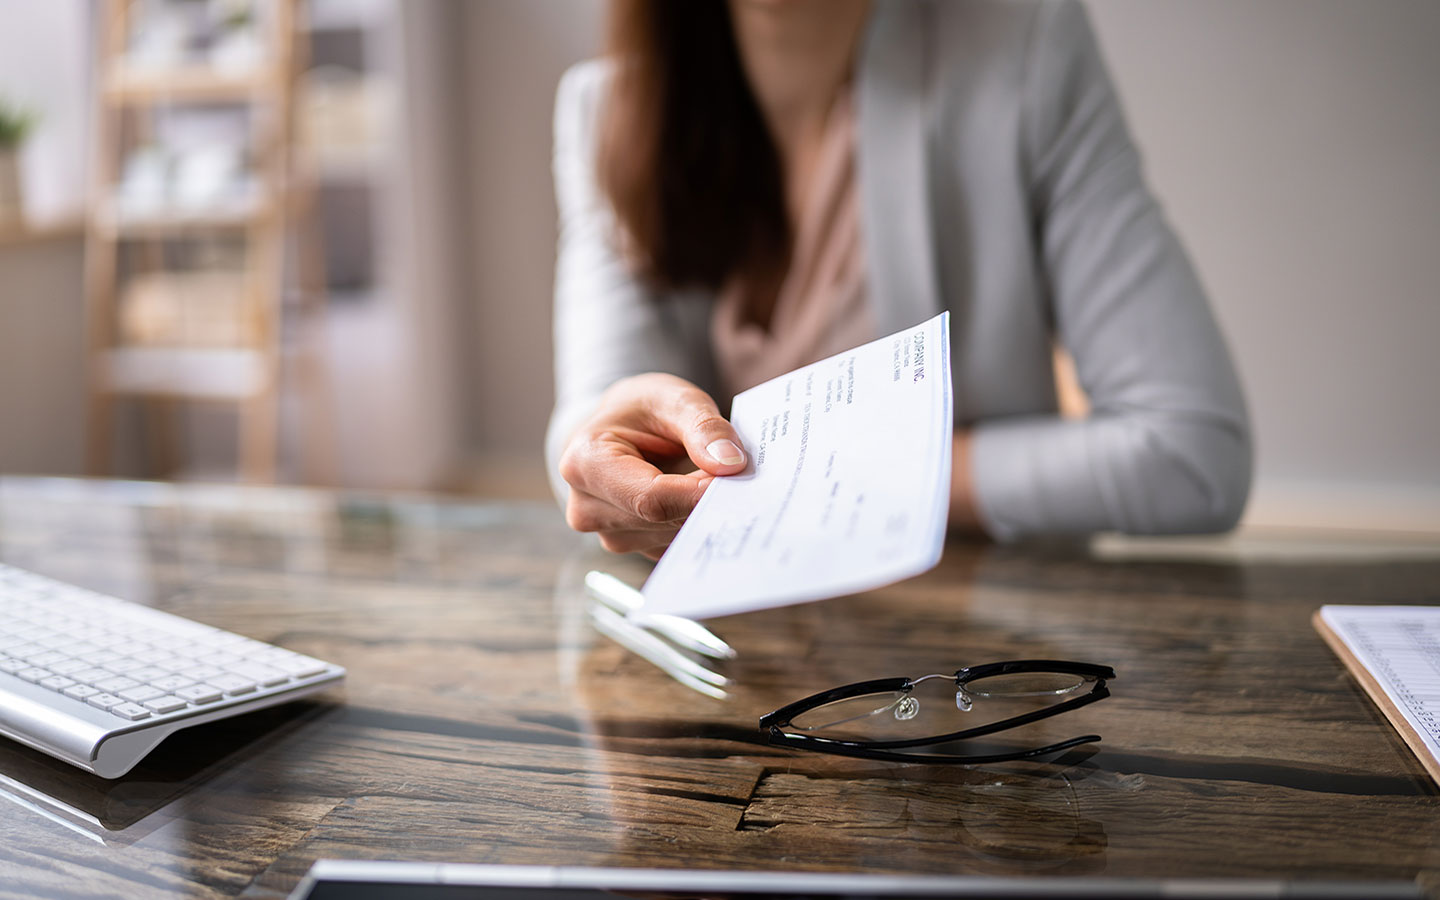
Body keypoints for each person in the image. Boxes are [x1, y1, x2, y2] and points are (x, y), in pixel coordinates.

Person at [547, 0, 1252, 559]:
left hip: (974, 658)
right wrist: (604, 458)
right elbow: (587, 434)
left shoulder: (1024, 52)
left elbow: (1191, 453)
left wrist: (831, 478)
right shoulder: (604, 111)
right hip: (728, 657)